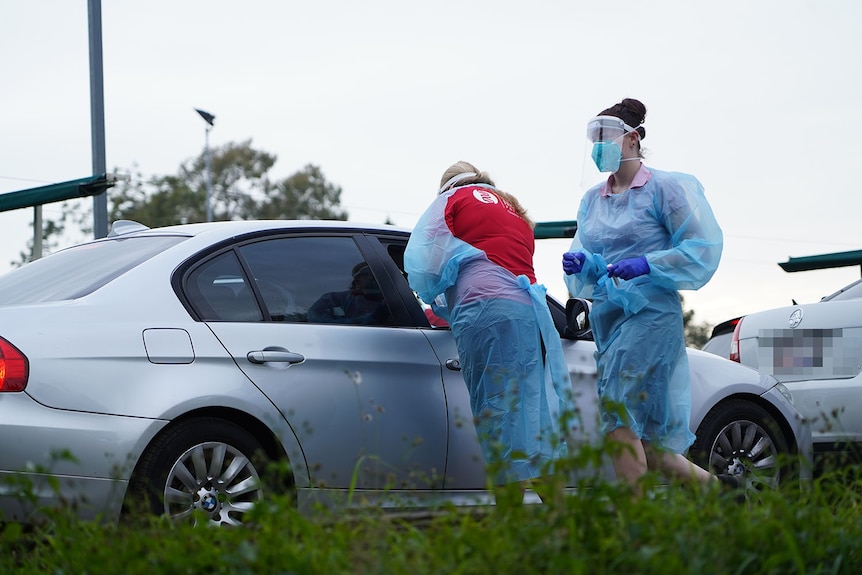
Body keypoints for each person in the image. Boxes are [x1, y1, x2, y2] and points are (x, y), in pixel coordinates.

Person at [562, 98, 735, 494]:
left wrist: (649, 264)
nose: (597, 147)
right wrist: (582, 266)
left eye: (605, 137)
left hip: (651, 316)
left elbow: (701, 247)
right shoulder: (592, 199)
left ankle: (636, 530)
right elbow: (596, 263)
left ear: (632, 139)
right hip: (611, 319)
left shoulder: (665, 188)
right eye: (593, 139)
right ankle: (725, 496)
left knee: (618, 416)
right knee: (650, 444)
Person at [405, 161, 574, 504]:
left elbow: (421, 262)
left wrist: (438, 306)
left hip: (485, 311)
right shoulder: (515, 212)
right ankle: (564, 519)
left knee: (496, 417)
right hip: (528, 315)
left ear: (446, 186)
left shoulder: (453, 200)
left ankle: (509, 525)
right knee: (533, 421)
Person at [308, 262, 390, 325]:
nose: (372, 279)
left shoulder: (391, 301)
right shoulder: (332, 299)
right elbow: (315, 318)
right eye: (367, 274)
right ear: (356, 280)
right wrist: (369, 319)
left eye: (374, 276)